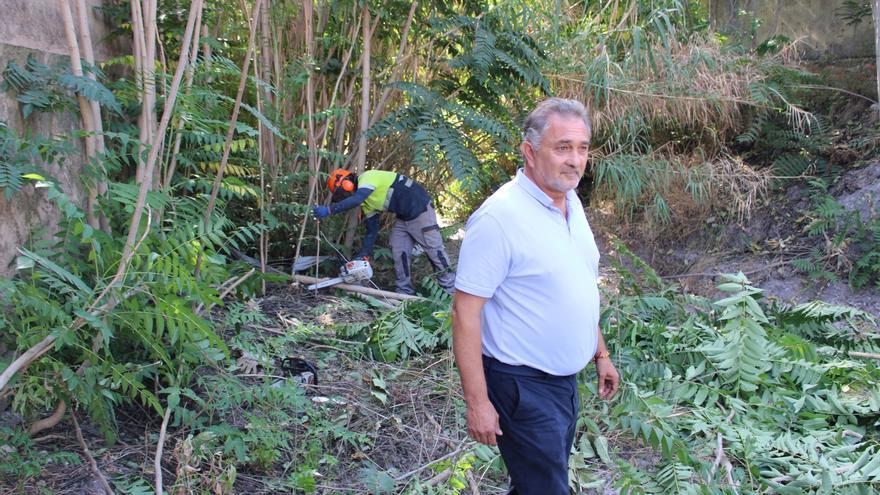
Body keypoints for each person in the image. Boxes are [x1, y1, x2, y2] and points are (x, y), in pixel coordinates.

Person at [452, 98, 620, 495]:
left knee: (537, 482)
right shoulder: (500, 219)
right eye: (562, 147)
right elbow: (464, 314)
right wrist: (478, 402)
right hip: (521, 385)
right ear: (529, 152)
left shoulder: (570, 203)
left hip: (564, 383)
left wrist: (601, 353)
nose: (575, 160)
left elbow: (575, 286)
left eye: (581, 148)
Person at [312, 168, 455, 295]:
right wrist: (364, 254)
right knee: (399, 250)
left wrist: (329, 210)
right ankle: (404, 292)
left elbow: (356, 199)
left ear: (346, 184)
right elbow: (372, 230)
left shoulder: (367, 177)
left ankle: (451, 292)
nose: (342, 196)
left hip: (420, 210)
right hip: (403, 217)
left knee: (434, 251)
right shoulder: (366, 202)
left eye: (341, 193)